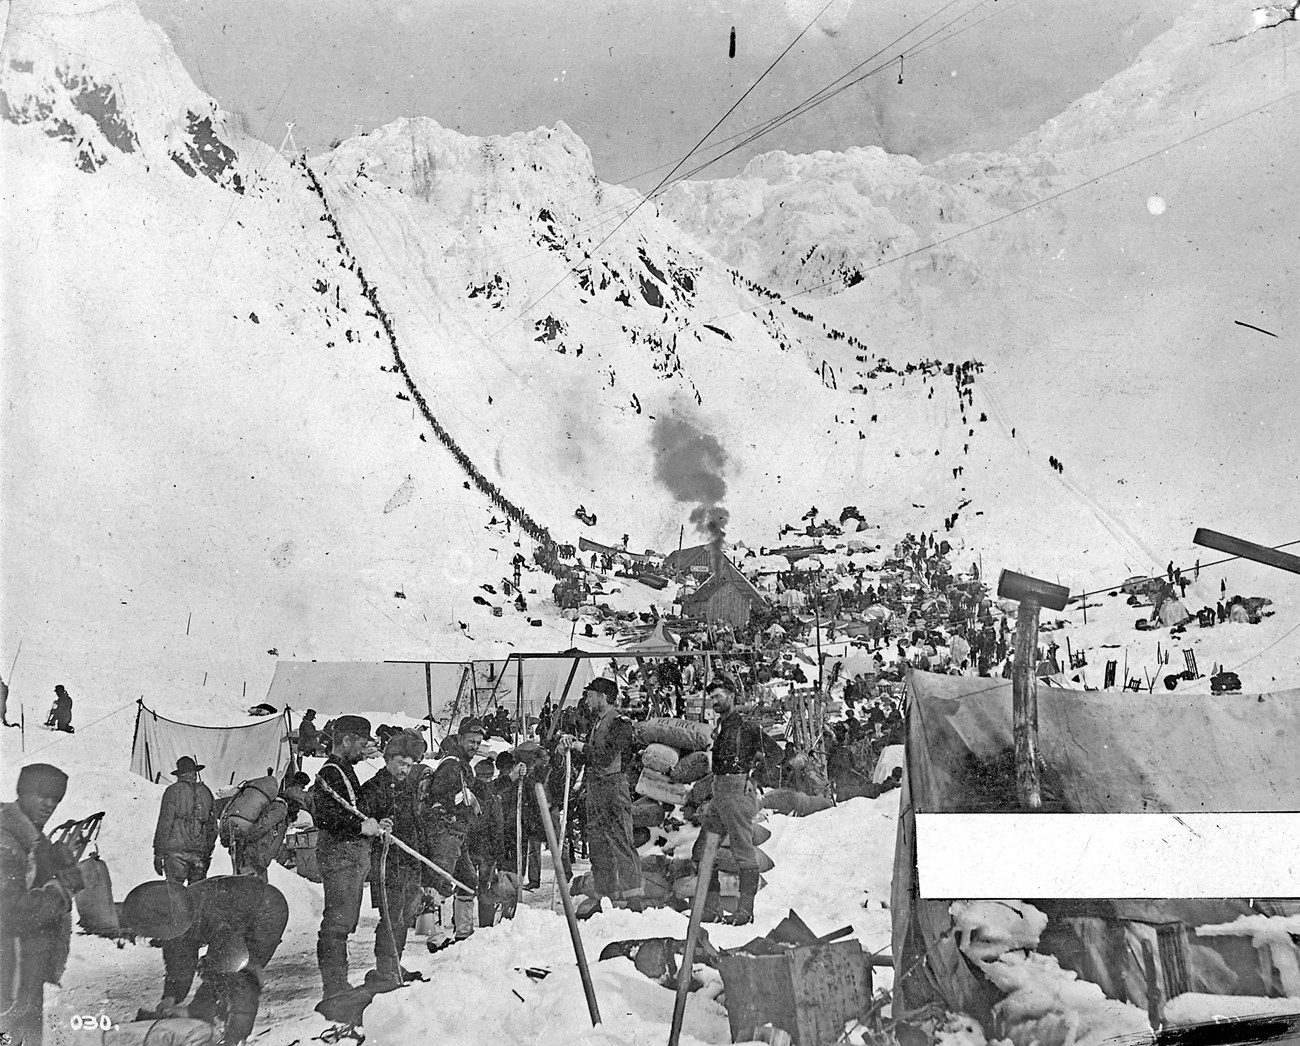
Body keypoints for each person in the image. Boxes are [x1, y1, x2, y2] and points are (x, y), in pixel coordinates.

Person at [135, 876, 288, 1046]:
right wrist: (171, 996)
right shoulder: (174, 915)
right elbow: (179, 956)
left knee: (240, 973)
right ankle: (210, 1015)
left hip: (266, 908)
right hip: (238, 911)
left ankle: (235, 1037)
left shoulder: (206, 912)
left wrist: (196, 1009)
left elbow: (227, 961)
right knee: (220, 971)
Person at [1, 763, 83, 1046]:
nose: (49, 804)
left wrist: (58, 862)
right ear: (22, 793)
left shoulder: (35, 839)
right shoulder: (6, 840)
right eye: (41, 795)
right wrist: (59, 890)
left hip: (26, 967)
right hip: (7, 971)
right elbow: (12, 910)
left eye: (55, 798)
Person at [311, 715, 389, 1005]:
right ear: (346, 740)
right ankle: (334, 989)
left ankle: (338, 985)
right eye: (360, 743)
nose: (363, 750)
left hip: (349, 855)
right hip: (340, 855)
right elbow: (326, 816)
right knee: (337, 922)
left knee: (344, 921)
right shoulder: (332, 771)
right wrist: (359, 827)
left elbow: (353, 808)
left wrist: (375, 822)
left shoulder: (343, 770)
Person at [559, 677, 643, 910]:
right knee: (598, 845)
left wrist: (581, 747)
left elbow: (606, 756)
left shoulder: (620, 723)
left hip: (613, 789)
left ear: (603, 697)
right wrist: (570, 745)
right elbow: (589, 757)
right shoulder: (598, 723)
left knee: (621, 842)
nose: (587, 700)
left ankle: (634, 899)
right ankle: (603, 896)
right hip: (595, 789)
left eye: (590, 695)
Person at [358, 730, 426, 991]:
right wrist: (377, 826)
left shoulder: (409, 788)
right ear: (387, 759)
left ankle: (395, 963)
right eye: (400, 763)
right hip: (386, 864)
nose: (405, 769)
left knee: (405, 915)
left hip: (408, 861)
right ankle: (385, 969)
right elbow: (362, 822)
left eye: (409, 765)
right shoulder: (373, 788)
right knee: (391, 917)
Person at [695, 677, 767, 925]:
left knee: (743, 854)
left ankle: (745, 911)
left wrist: (754, 777)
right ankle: (712, 909)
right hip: (719, 795)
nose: (715, 700)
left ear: (732, 696)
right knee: (703, 851)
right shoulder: (721, 727)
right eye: (712, 697)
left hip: (737, 794)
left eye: (720, 695)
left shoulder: (746, 727)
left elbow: (776, 753)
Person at [420, 717, 484, 947]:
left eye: (478, 743)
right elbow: (438, 796)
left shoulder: (462, 765)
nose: (474, 747)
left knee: (467, 879)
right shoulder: (452, 764)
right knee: (439, 883)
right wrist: (463, 798)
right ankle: (433, 936)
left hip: (459, 832)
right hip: (444, 831)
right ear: (460, 739)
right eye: (471, 742)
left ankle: (464, 933)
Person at [154, 756, 218, 886]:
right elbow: (213, 828)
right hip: (199, 855)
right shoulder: (206, 792)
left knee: (175, 894)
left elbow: (165, 823)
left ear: (179, 774)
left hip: (176, 854)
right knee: (197, 895)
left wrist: (158, 854)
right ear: (195, 773)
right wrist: (207, 852)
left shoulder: (172, 791)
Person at [465, 758, 504, 928]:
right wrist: (499, 849)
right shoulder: (491, 796)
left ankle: (461, 921)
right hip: (486, 849)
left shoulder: (467, 794)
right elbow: (497, 824)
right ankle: (485, 922)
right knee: (485, 887)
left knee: (466, 885)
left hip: (470, 847)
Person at [224, 785, 290, 882]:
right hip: (254, 851)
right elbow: (263, 826)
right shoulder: (279, 808)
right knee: (253, 884)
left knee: (242, 880)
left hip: (245, 848)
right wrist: (248, 837)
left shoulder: (267, 805)